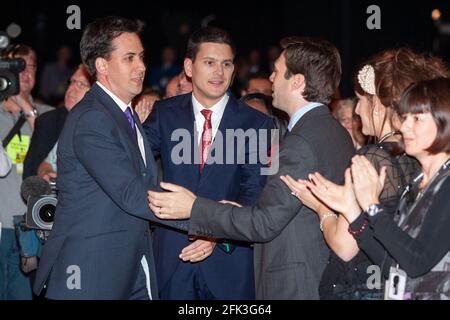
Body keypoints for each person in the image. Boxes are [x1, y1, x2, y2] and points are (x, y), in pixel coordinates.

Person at [148, 37, 355, 299]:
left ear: (298, 81)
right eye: (210, 62)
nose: (271, 78)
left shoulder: (297, 141)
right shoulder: (332, 132)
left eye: (277, 72)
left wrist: (195, 208)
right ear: (189, 66)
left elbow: (264, 220)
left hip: (289, 280)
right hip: (176, 263)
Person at [33, 16, 188, 300]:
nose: (142, 66)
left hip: (130, 266)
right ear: (102, 66)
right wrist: (202, 217)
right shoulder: (93, 118)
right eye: (129, 58)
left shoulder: (123, 115)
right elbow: (131, 193)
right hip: (90, 272)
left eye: (141, 57)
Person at [281, 48, 450, 299]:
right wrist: (352, 211)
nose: (404, 126)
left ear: (443, 124)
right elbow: (392, 264)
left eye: (416, 119)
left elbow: (416, 261)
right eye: (405, 117)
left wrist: (367, 206)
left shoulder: (445, 184)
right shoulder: (417, 182)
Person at [143, 26, 273, 300]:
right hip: (172, 259)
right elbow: (132, 161)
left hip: (230, 264)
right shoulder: (164, 114)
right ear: (189, 67)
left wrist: (216, 233)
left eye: (226, 64)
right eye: (210, 63)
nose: (219, 72)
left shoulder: (261, 125)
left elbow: (258, 194)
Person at [0, 44, 53, 300]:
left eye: (30, 66)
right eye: (16, 67)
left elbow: (52, 152)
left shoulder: (48, 115)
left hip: (31, 228)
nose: (24, 73)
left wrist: (26, 108)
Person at [23, 64, 94, 181]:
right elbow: (33, 170)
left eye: (81, 84)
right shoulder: (48, 121)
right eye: (72, 82)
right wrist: (45, 172)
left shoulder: (106, 125)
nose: (71, 89)